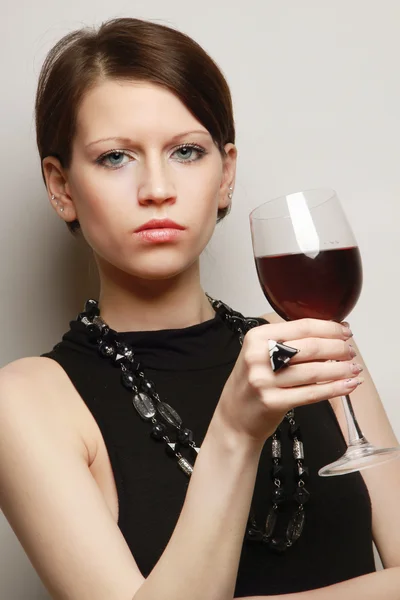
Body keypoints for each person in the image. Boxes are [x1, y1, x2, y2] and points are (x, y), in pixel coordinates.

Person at [0, 16, 399, 600]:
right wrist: (236, 430)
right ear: (61, 187)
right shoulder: (26, 401)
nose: (157, 187)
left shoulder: (309, 345)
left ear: (225, 175)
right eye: (116, 157)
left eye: (186, 151)